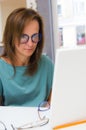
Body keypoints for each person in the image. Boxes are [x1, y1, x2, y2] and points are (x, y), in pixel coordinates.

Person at [0, 7, 54, 106]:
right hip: (12, 121)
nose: (30, 44)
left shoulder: (46, 64)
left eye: (35, 36)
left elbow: (55, 102)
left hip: (43, 119)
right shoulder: (1, 68)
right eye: (23, 37)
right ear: (11, 37)